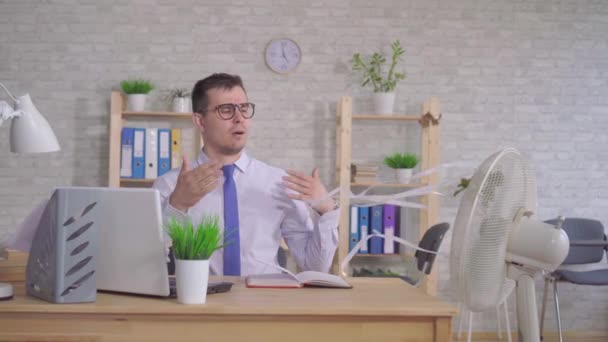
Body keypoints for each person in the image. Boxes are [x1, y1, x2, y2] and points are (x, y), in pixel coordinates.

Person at [153, 73, 339, 276]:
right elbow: (146, 262)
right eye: (226, 110)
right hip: (199, 302)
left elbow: (315, 267)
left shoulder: (279, 183)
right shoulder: (170, 185)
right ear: (200, 121)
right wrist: (177, 205)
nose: (239, 118)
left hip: (264, 302)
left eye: (244, 109)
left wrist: (327, 211)